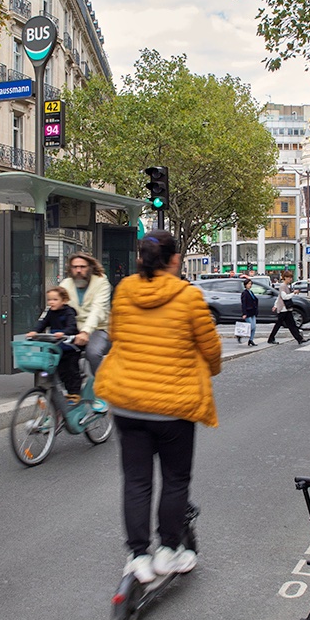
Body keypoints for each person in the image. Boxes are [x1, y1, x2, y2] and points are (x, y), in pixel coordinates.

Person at [95, 229, 221, 584]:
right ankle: (167, 550)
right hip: (173, 407)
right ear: (176, 260)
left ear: (141, 260)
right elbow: (211, 349)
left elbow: (117, 335)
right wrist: (207, 369)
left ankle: (138, 555)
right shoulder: (188, 297)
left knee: (136, 481)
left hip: (128, 404)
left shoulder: (123, 292)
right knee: (175, 479)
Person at [26, 286, 82, 397]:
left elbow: (72, 326)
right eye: (49, 300)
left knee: (71, 370)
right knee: (61, 371)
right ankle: (62, 391)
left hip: (69, 347)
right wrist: (35, 331)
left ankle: (74, 393)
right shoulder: (51, 312)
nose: (51, 302)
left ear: (64, 300)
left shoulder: (68, 312)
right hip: (56, 347)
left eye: (55, 300)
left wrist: (64, 332)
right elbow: (43, 323)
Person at [65, 253, 111, 374]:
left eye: (82, 267)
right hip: (74, 329)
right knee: (55, 352)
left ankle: (102, 385)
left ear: (90, 268)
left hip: (99, 328)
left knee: (93, 353)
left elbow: (98, 309)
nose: (78, 270)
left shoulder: (101, 283)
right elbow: (55, 305)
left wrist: (86, 331)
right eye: (75, 267)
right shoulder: (66, 284)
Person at [267, 278, 310, 345]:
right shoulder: (283, 286)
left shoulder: (285, 286)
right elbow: (284, 297)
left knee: (291, 324)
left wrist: (275, 305)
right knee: (279, 324)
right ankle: (271, 338)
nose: (290, 279)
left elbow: (279, 297)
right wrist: (293, 293)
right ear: (286, 278)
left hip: (286, 309)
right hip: (283, 309)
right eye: (289, 278)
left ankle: (299, 339)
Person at [239, 277, 258, 347]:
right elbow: (243, 303)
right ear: (245, 285)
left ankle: (251, 340)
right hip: (248, 312)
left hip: (253, 312)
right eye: (249, 284)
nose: (250, 285)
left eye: (250, 284)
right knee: (251, 326)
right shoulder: (244, 293)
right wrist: (244, 313)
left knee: (254, 327)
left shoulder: (251, 292)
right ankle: (240, 335)